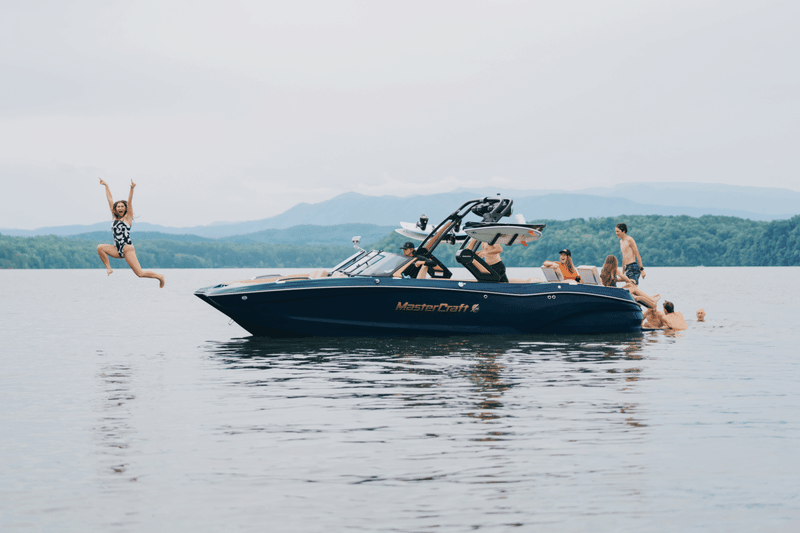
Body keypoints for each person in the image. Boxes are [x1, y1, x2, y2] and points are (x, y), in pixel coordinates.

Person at [96, 178, 165, 288]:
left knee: (140, 273)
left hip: (127, 249)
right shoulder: (114, 217)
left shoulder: (127, 218)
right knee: (100, 247)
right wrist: (106, 185)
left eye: (122, 206)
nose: (120, 208)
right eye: (118, 206)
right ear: (116, 209)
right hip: (117, 249)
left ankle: (159, 276)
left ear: (125, 208)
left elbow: (129, 202)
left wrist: (132, 189)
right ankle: (109, 268)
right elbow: (110, 199)